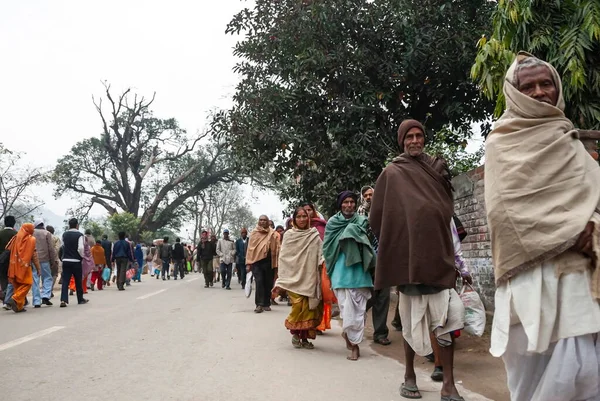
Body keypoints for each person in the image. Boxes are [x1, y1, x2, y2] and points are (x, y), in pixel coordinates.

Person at [485, 53, 600, 401]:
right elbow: (503, 213)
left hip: (577, 273)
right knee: (530, 375)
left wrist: (592, 227)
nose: (539, 92)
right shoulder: (501, 141)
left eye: (546, 83)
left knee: (583, 371)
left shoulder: (572, 142)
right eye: (529, 86)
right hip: (530, 277)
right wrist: (567, 231)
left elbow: (594, 199)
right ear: (514, 92)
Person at [369, 119, 470, 400]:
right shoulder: (392, 173)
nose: (415, 141)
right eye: (409, 137)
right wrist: (400, 243)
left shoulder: (437, 169)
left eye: (419, 136)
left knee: (447, 322)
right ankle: (409, 376)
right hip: (409, 262)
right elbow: (377, 218)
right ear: (401, 142)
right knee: (412, 322)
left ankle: (448, 384)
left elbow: (446, 210)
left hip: (439, 258)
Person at [323, 191, 375, 361]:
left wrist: (353, 232)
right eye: (346, 202)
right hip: (340, 272)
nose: (349, 205)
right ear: (340, 204)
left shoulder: (362, 221)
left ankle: (352, 339)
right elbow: (328, 248)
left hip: (360, 272)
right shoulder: (332, 223)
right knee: (347, 310)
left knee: (359, 311)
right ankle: (354, 345)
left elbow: (369, 243)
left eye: (352, 202)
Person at [274, 206, 324, 349]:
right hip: (293, 278)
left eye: (304, 216)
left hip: (309, 277)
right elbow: (284, 258)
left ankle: (305, 338)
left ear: (308, 218)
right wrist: (282, 279)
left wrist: (323, 262)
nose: (302, 219)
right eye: (299, 217)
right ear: (294, 219)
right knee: (298, 306)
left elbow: (320, 253)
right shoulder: (289, 235)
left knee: (309, 308)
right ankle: (296, 334)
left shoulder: (314, 234)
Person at [356, 186, 392, 346]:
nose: (369, 197)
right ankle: (355, 324)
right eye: (366, 195)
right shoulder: (360, 213)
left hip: (384, 260)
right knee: (367, 295)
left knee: (383, 297)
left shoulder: (385, 210)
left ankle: (380, 333)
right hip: (366, 261)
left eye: (371, 194)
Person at [303, 202, 333, 331]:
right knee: (304, 296)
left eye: (309, 210)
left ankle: (318, 323)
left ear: (313, 211)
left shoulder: (320, 226)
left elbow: (325, 245)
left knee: (318, 295)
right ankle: (304, 323)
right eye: (304, 211)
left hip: (319, 265)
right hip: (302, 267)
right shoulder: (297, 229)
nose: (307, 213)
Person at [246, 215, 280, 313]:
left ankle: (266, 304)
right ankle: (259, 305)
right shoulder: (254, 233)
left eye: (264, 220)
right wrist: (248, 263)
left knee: (268, 283)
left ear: (268, 221)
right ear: (258, 221)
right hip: (257, 262)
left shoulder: (273, 233)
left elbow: (277, 248)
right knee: (259, 282)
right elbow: (250, 249)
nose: (262, 222)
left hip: (269, 261)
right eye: (261, 220)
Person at [4, 223, 40, 313]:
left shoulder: (15, 238)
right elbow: (34, 255)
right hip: (25, 266)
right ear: (29, 229)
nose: (33, 230)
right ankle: (15, 298)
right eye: (32, 229)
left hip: (14, 265)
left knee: (18, 285)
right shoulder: (31, 239)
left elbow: (7, 248)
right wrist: (38, 268)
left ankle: (19, 306)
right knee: (27, 283)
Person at [60, 218, 88, 307]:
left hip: (66, 260)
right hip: (76, 261)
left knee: (65, 281)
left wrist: (62, 257)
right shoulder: (80, 235)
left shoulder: (64, 234)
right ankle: (80, 299)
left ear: (69, 225)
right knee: (78, 280)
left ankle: (63, 300)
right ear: (77, 225)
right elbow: (80, 248)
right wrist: (81, 256)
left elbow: (62, 247)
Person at [32, 219, 57, 307]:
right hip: (45, 259)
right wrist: (52, 260)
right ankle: (45, 295)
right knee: (47, 278)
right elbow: (51, 248)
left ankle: (36, 301)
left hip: (33, 260)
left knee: (35, 280)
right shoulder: (47, 233)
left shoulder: (31, 232)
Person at [46, 225, 61, 296]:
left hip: (44, 259)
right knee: (54, 275)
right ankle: (49, 290)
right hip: (54, 259)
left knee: (45, 275)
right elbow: (57, 249)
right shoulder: (56, 238)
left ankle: (46, 290)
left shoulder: (43, 237)